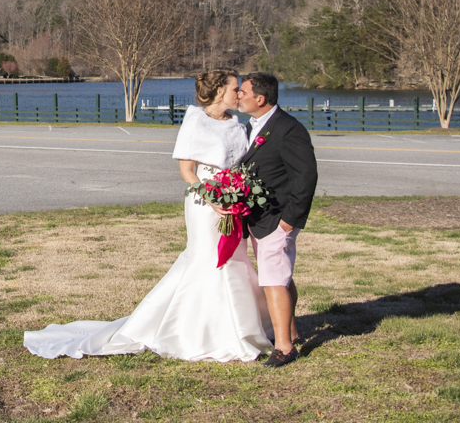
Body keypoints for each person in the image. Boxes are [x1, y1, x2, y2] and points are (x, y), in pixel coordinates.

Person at [23, 70, 274, 362]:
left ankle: (239, 327)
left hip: (233, 202)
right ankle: (197, 333)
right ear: (220, 92)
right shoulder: (196, 120)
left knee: (235, 259)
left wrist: (237, 194)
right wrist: (212, 197)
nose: (239, 94)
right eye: (235, 89)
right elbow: (186, 171)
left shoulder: (236, 124)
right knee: (208, 259)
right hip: (204, 203)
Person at [235, 72, 318, 368]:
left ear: (261, 98)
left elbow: (306, 177)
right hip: (259, 218)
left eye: (242, 92)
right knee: (279, 276)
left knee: (273, 280)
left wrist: (289, 221)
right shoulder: (252, 126)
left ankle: (283, 347)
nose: (238, 96)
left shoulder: (288, 129)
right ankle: (292, 332)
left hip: (277, 219)